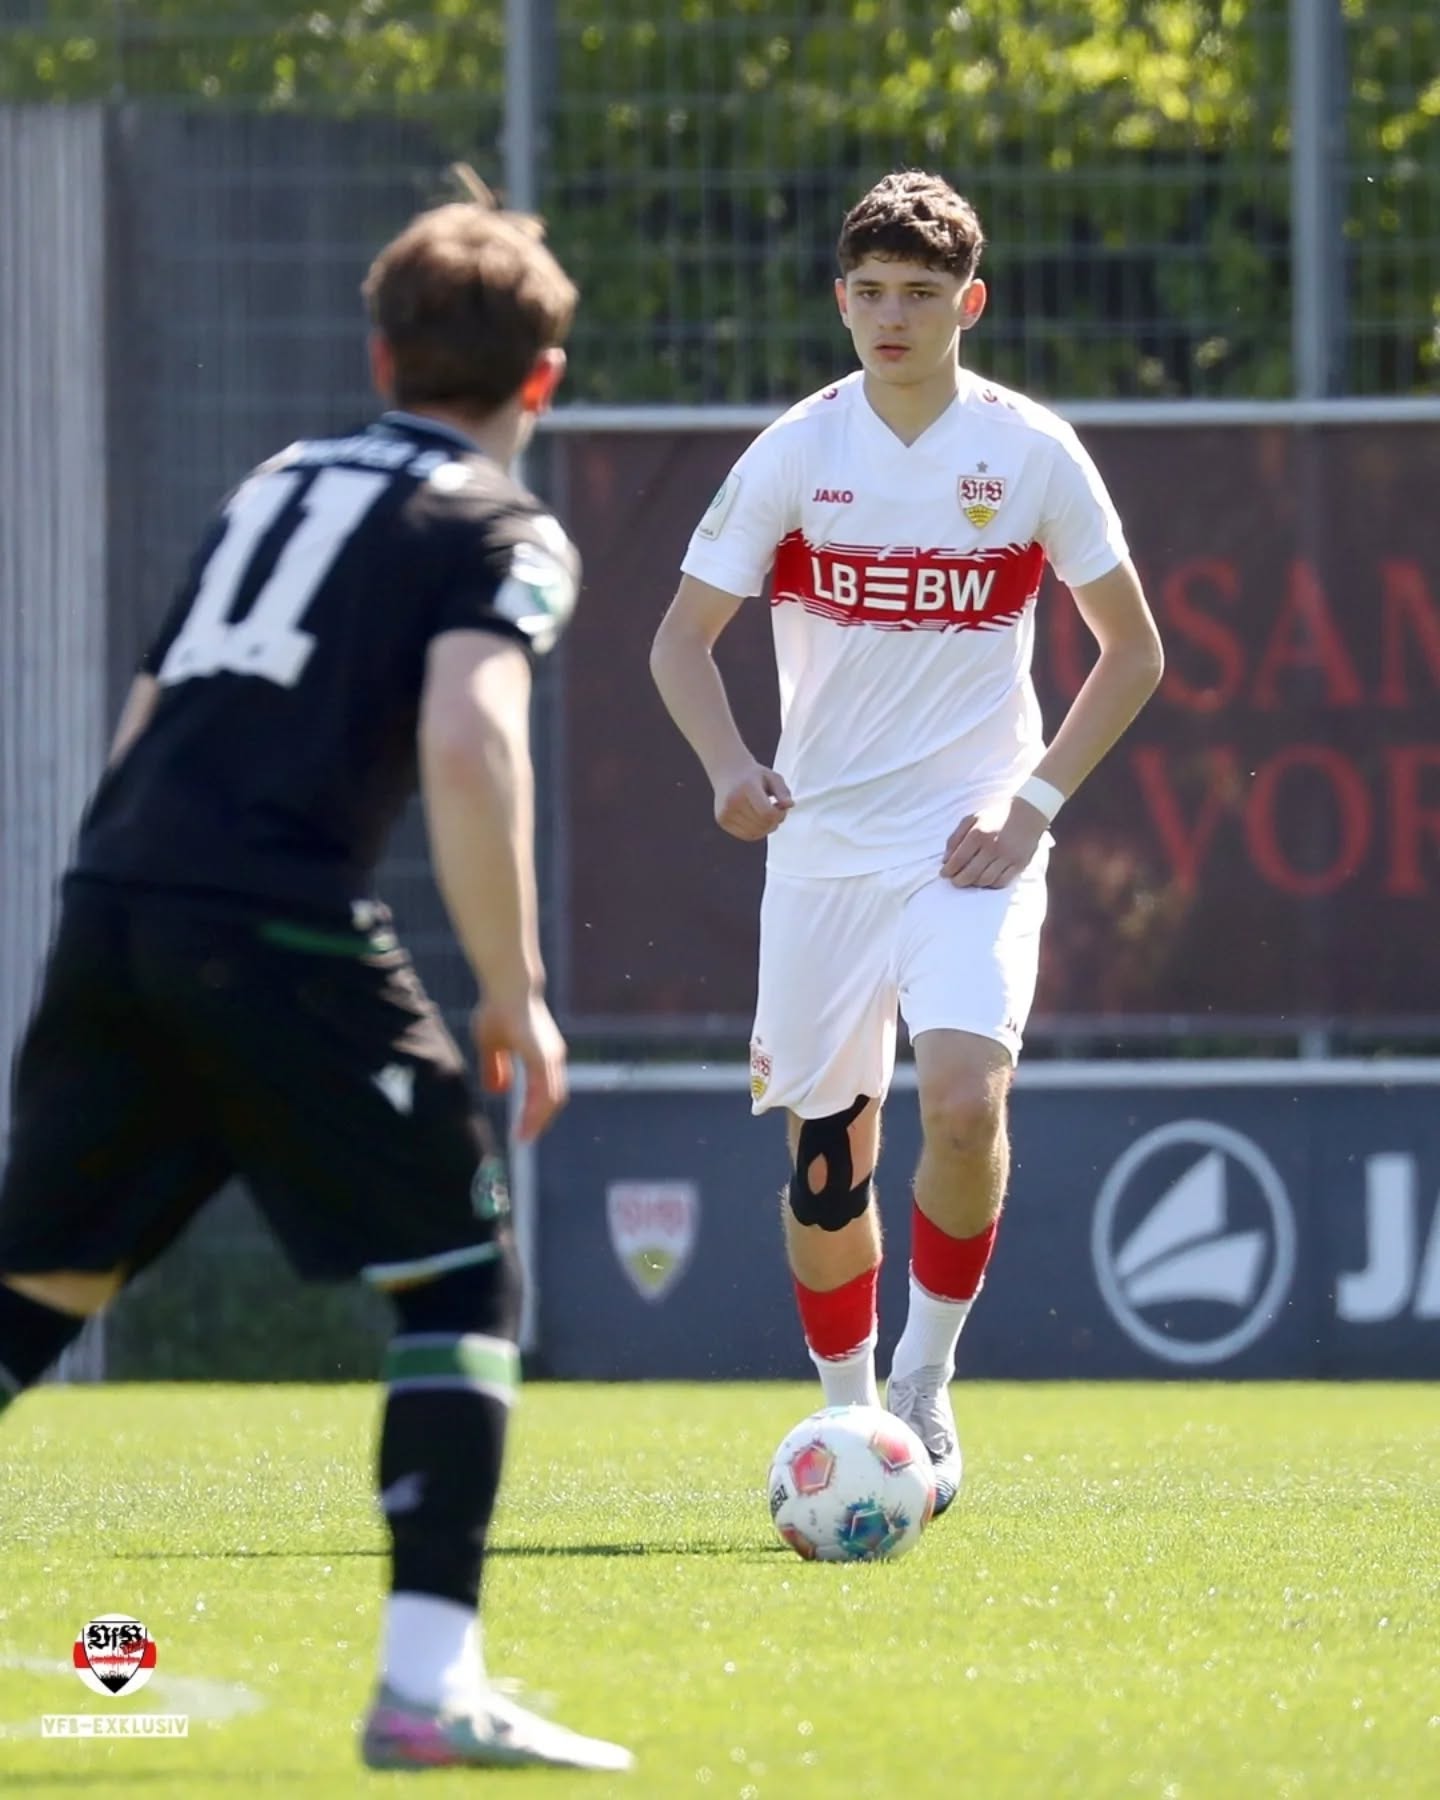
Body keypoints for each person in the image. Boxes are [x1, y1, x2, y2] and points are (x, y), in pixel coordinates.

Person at [0, 171, 631, 1775]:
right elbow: (472, 739)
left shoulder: (279, 478)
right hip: (271, 921)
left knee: (42, 1288)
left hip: (116, 891)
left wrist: (124, 928)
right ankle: (429, 1690)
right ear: (539, 383)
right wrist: (514, 986)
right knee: (458, 1274)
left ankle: (436, 1688)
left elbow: (154, 711)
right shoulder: (502, 520)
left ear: (377, 360)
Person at [651, 170, 1164, 1515]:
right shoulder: (795, 452)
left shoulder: (1033, 451)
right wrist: (727, 770)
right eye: (870, 293)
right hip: (822, 854)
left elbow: (1134, 653)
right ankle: (848, 1431)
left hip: (969, 846)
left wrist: (1033, 804)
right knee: (829, 1160)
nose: (892, 317)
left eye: (920, 296)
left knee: (961, 1099)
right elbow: (678, 643)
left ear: (968, 305)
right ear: (841, 298)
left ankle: (927, 1381)